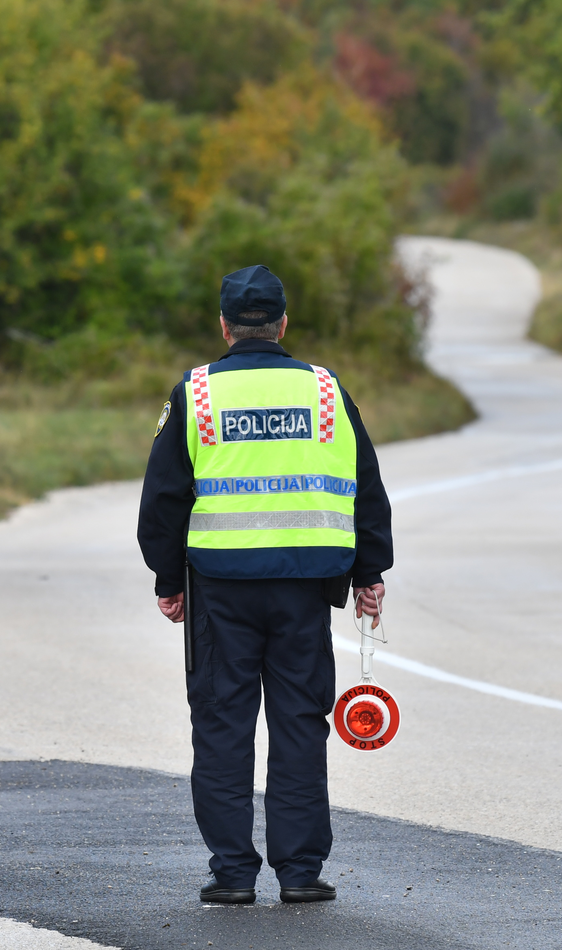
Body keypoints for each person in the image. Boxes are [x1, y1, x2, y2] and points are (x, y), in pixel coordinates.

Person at [136, 265, 393, 905]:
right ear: (284, 322)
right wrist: (370, 572)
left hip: (219, 590)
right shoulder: (327, 390)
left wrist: (169, 579)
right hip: (307, 589)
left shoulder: (195, 393)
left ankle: (232, 874)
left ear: (223, 326)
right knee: (300, 726)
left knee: (223, 725)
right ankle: (301, 874)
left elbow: (163, 498)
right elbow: (366, 483)